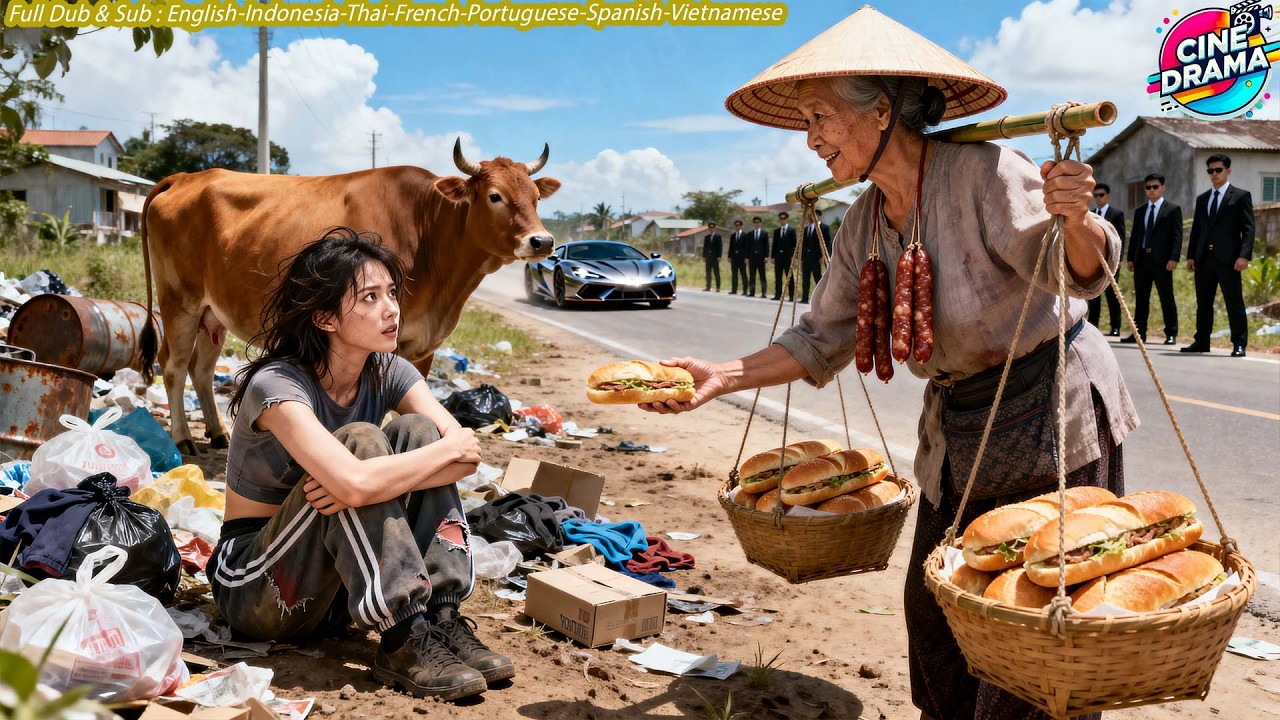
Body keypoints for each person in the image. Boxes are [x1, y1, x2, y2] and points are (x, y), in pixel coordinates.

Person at [643, 7, 1134, 720]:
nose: (810, 138)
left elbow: (1073, 270)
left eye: (821, 117)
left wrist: (1077, 219)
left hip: (1047, 410)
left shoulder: (988, 171)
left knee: (1033, 634)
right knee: (935, 619)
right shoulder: (863, 222)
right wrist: (724, 376)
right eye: (804, 121)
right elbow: (819, 337)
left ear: (880, 113)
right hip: (955, 428)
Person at [208, 227, 513, 702]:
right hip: (257, 588)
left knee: (419, 432)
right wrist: (359, 481)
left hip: (337, 591)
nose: (391, 309)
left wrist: (366, 483)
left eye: (391, 292)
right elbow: (358, 479)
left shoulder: (390, 370)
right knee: (362, 440)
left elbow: (466, 453)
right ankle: (402, 637)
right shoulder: (277, 385)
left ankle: (441, 616)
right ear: (325, 318)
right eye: (370, 297)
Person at [1184, 154, 1256, 357]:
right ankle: (1202, 341)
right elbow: (1197, 229)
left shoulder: (1240, 196)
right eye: (1210, 171)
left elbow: (1249, 229)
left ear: (1228, 171)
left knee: (1234, 302)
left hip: (1229, 259)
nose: (1214, 174)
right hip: (1204, 259)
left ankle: (1239, 343)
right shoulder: (1203, 199)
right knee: (1203, 303)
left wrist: (1244, 255)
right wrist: (1191, 255)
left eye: (1218, 170)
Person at [1124, 174, 1182, 345]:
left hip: (1162, 261)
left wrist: (1174, 258)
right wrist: (1130, 258)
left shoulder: (1172, 210)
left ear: (1163, 188)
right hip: (1142, 259)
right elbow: (1135, 236)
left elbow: (1177, 236)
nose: (1151, 190)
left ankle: (1171, 333)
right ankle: (1139, 333)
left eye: (1155, 187)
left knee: (1166, 297)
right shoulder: (1140, 211)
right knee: (1141, 298)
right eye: (1148, 187)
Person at [1085, 183, 1126, 336]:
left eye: (1101, 195)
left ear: (1107, 196)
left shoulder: (1116, 214)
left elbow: (1121, 237)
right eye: (1095, 195)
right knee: (1093, 294)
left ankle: (1115, 326)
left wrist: (1119, 258)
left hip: (1111, 260)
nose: (1098, 198)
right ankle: (1093, 324)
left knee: (1112, 294)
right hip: (1094, 260)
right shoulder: (1090, 214)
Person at [800, 210, 833, 303]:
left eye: (815, 215)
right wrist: (801, 257)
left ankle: (820, 298)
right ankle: (804, 298)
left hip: (817, 257)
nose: (812, 217)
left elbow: (827, 243)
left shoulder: (824, 228)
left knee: (817, 278)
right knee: (805, 278)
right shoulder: (806, 229)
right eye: (811, 215)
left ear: (819, 216)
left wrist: (823, 256)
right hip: (806, 257)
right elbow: (803, 244)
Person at [771, 211, 797, 301]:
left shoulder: (791, 231)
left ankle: (792, 296)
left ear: (787, 219)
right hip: (778, 257)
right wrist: (773, 257)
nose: (782, 220)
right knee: (778, 276)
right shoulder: (776, 231)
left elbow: (794, 245)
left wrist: (793, 256)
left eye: (784, 219)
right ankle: (777, 295)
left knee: (789, 277)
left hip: (788, 257)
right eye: (781, 219)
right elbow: (774, 245)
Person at [746, 216, 770, 298]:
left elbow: (766, 246)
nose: (757, 224)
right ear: (753, 223)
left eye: (758, 222)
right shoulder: (750, 234)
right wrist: (747, 257)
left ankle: (764, 292)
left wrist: (766, 256)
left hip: (761, 258)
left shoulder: (764, 233)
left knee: (762, 275)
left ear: (760, 223)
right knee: (752, 275)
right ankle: (751, 292)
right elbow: (747, 246)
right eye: (755, 222)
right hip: (752, 257)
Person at [727, 219, 749, 295]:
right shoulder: (733, 236)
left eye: (738, 225)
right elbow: (731, 247)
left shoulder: (745, 235)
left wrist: (746, 257)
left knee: (743, 274)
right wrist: (729, 256)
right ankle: (734, 289)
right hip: (734, 257)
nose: (737, 226)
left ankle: (745, 290)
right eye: (736, 225)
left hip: (742, 258)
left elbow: (746, 247)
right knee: (734, 274)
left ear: (741, 226)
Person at [702, 221, 723, 292]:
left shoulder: (718, 237)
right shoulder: (707, 237)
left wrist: (719, 256)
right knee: (708, 273)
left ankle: (718, 287)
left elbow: (720, 247)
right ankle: (708, 287)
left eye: (712, 227)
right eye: (710, 227)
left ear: (715, 228)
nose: (711, 229)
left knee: (716, 273)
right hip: (708, 257)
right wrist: (704, 256)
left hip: (715, 257)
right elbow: (705, 247)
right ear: (708, 228)